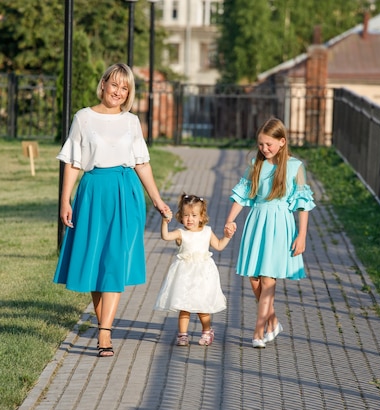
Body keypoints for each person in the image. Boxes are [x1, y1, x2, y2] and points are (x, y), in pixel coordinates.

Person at [53, 63, 172, 358]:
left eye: (125, 88)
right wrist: (65, 200)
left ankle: (104, 333)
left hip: (125, 191)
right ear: (103, 84)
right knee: (96, 261)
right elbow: (73, 162)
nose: (118, 92)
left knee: (115, 261)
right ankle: (102, 323)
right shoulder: (83, 118)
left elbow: (142, 162)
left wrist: (157, 200)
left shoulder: (131, 122)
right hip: (93, 191)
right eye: (114, 85)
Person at [224, 117, 315, 348]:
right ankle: (273, 321)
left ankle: (258, 331)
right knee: (254, 279)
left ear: (282, 142)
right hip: (257, 222)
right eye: (261, 144)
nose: (264, 149)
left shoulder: (295, 167)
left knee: (267, 277)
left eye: (269, 145)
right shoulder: (256, 163)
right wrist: (229, 220)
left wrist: (302, 235)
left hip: (280, 224)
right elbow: (243, 194)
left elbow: (303, 204)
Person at [154, 193, 234, 346]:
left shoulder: (207, 232)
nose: (190, 219)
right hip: (184, 275)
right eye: (186, 215)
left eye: (194, 215)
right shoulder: (180, 233)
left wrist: (227, 236)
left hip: (203, 275)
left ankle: (207, 331)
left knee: (202, 306)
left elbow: (219, 246)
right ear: (180, 216)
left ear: (202, 216)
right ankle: (182, 334)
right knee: (184, 306)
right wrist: (165, 222)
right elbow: (165, 236)